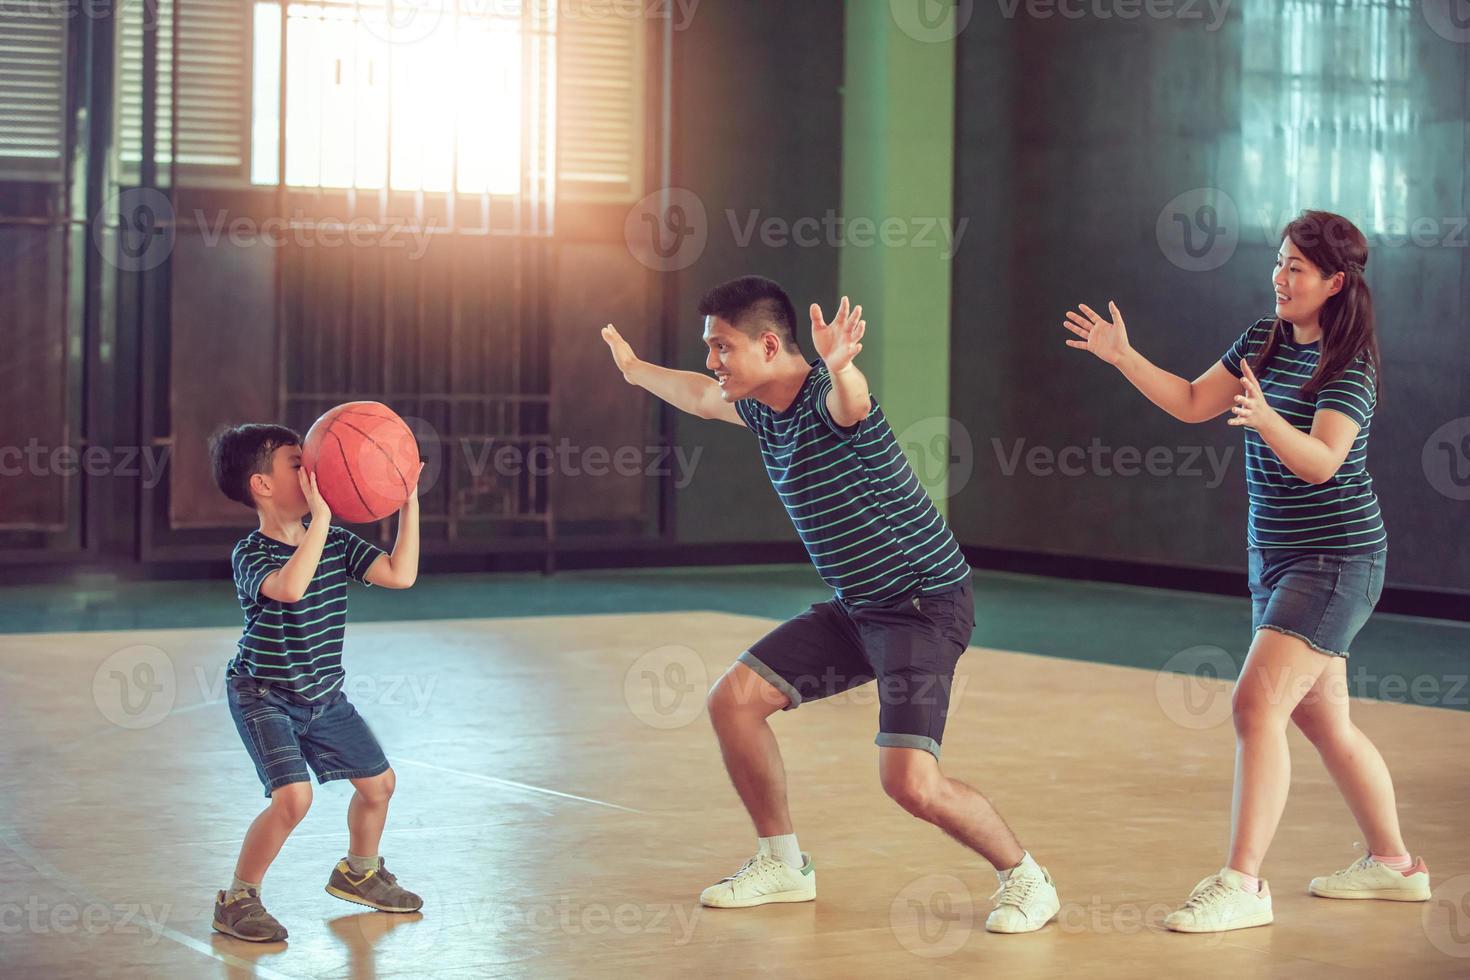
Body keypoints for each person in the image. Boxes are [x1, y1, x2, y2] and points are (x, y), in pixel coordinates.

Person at [603, 275, 1061, 933]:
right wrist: (634, 369)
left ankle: (1026, 877)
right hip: (858, 606)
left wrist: (842, 368)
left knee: (910, 784)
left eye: (722, 347)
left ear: (767, 345)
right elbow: (701, 397)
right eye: (709, 347)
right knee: (733, 702)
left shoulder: (826, 398)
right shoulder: (758, 403)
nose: (712, 361)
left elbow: (853, 403)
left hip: (923, 604)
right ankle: (782, 864)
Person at [1063, 210, 1429, 933]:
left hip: (1337, 559)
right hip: (1277, 557)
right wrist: (1124, 357)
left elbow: (1322, 463)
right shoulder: (1261, 340)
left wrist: (1267, 423)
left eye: (1297, 267)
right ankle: (1394, 866)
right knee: (1326, 723)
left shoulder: (1347, 366)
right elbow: (1197, 402)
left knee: (1255, 706)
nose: (1280, 277)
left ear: (1334, 282)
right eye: (1280, 260)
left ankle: (1244, 884)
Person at [207, 423, 424, 942]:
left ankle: (360, 872)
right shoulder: (250, 554)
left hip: (323, 694)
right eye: (296, 464)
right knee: (293, 800)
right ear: (262, 484)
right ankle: (238, 899)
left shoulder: (333, 540)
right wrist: (323, 518)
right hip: (263, 694)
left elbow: (401, 574)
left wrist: (407, 500)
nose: (313, 472)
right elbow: (290, 587)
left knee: (380, 786)